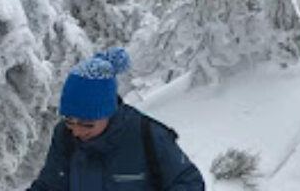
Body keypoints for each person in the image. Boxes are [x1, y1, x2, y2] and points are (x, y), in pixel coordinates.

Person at [28, 48, 205, 191]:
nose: (77, 131)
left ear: (109, 112)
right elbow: (49, 185)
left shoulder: (148, 136)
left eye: (87, 124)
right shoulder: (64, 136)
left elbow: (190, 183)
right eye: (69, 120)